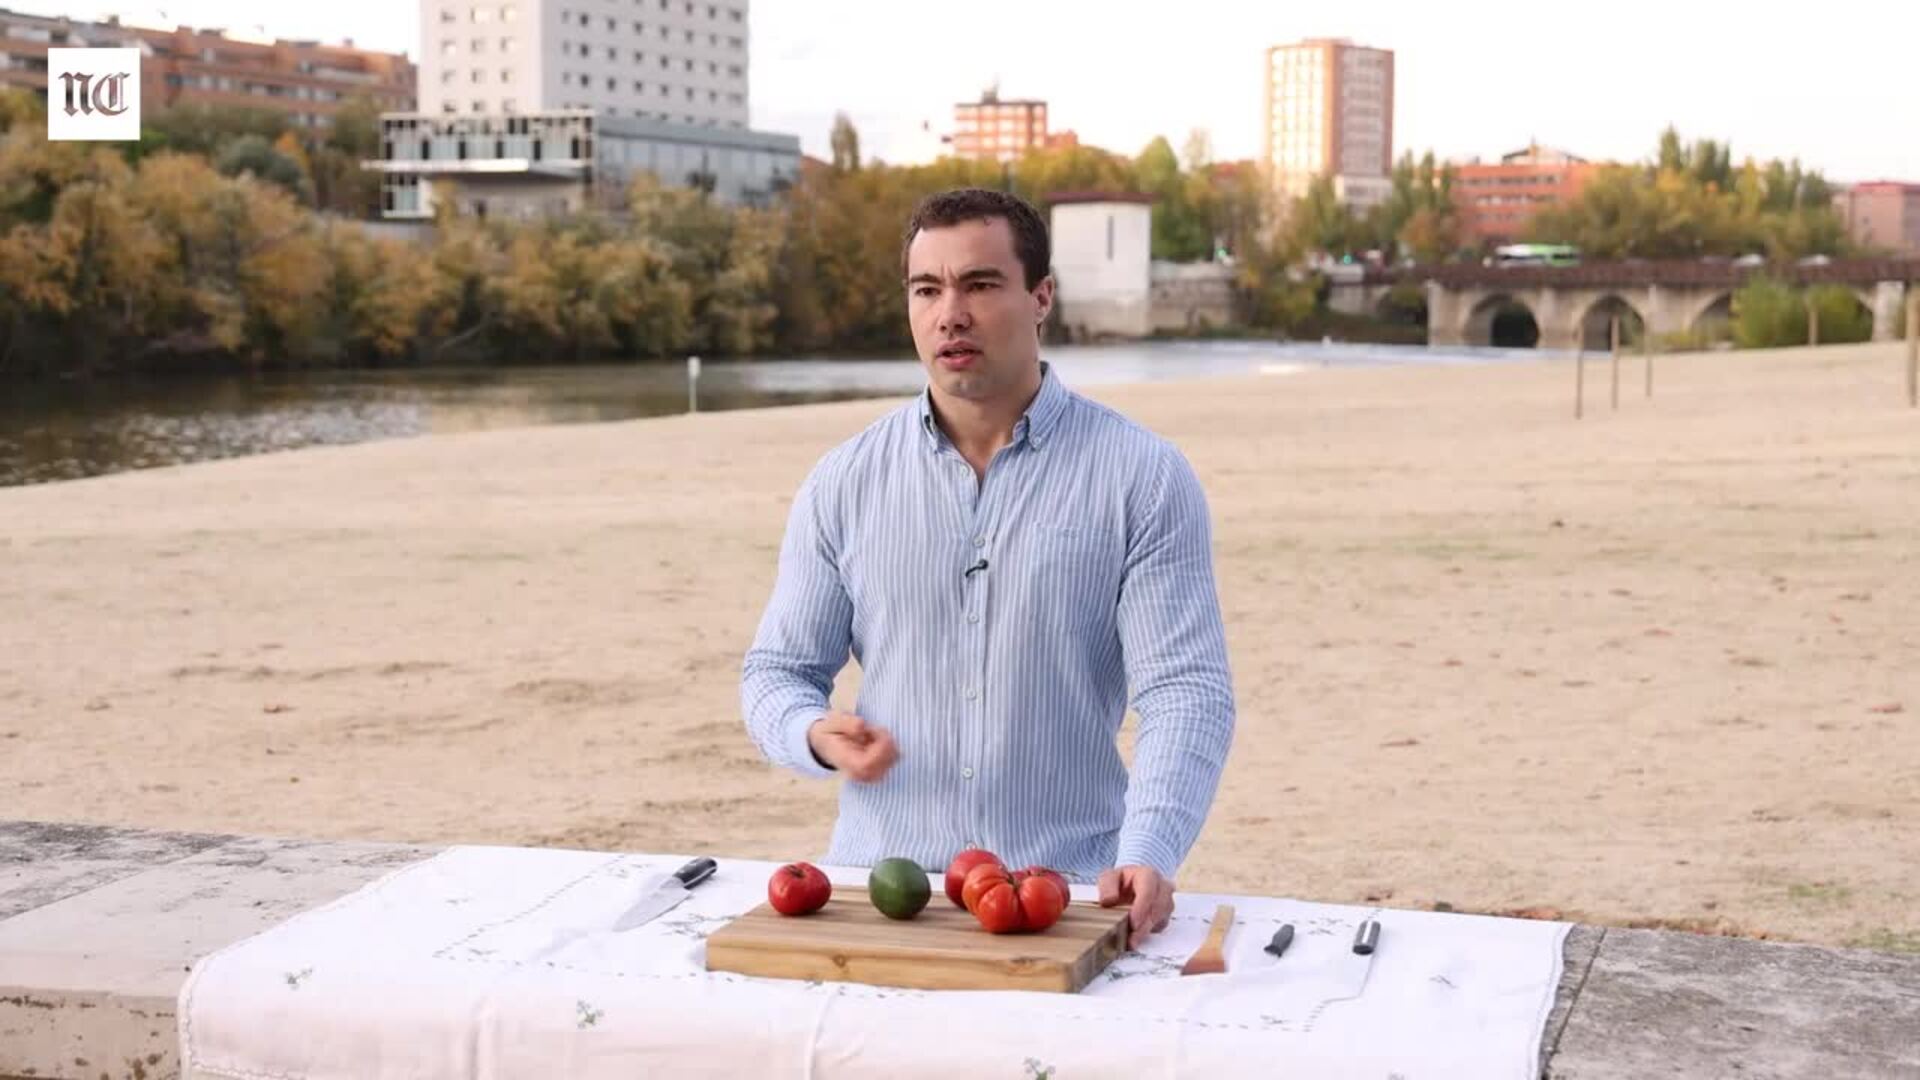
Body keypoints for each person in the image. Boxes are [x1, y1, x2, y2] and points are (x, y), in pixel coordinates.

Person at [740, 187, 1234, 947]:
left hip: (1067, 900)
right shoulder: (843, 481)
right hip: (883, 899)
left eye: (979, 284)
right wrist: (813, 733)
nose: (951, 314)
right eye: (927, 289)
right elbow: (776, 672)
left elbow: (1185, 691)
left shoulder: (1144, 477)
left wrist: (1151, 848)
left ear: (1041, 298)